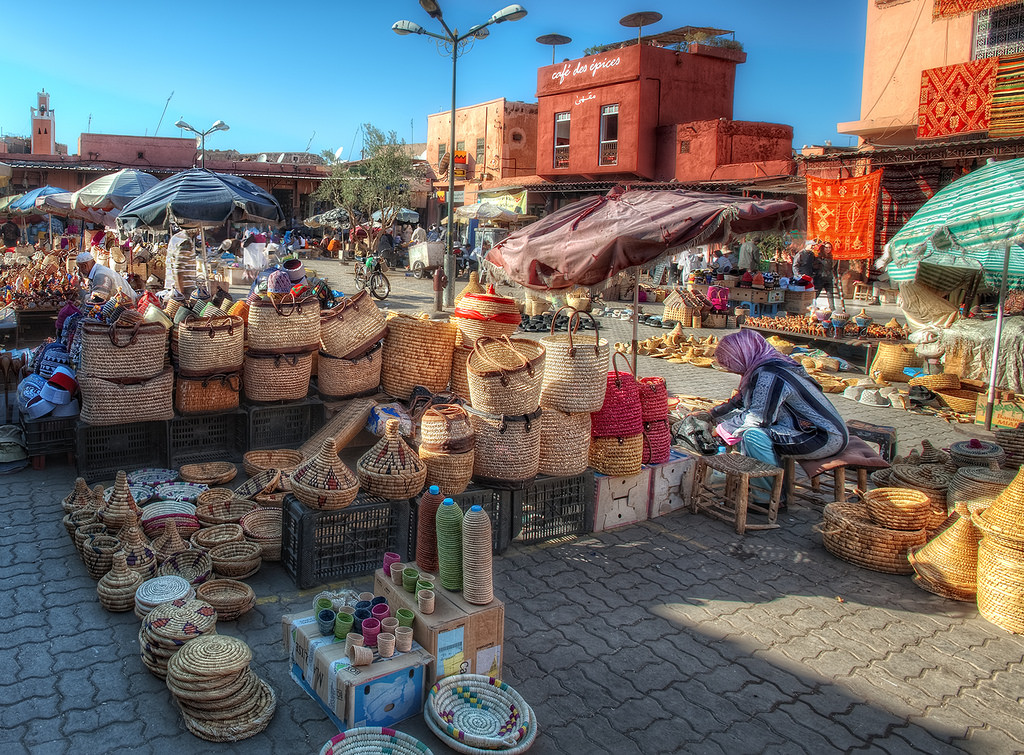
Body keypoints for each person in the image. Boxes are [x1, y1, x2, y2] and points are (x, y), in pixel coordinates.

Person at [692, 330, 848, 495]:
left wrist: (720, 430)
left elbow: (758, 418)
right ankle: (759, 481)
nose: (733, 371)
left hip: (822, 437)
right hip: (811, 430)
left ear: (742, 356)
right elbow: (741, 399)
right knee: (738, 427)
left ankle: (767, 496)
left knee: (752, 436)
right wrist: (711, 414)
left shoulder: (770, 374)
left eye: (732, 364)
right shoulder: (768, 364)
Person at [813, 241, 837, 310]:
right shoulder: (818, 257)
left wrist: (835, 278)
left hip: (829, 278)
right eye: (826, 247)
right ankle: (812, 307)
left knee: (830, 295)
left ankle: (833, 309)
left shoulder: (831, 257)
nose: (828, 249)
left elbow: (833, 269)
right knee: (816, 295)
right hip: (820, 278)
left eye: (829, 247)